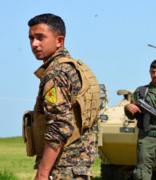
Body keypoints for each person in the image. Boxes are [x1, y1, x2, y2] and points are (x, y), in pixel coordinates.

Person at [27, 13, 101, 180]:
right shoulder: (76, 68)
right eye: (31, 38)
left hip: (60, 169)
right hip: (78, 168)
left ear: (59, 41)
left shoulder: (56, 73)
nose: (34, 44)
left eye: (40, 37)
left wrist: (43, 173)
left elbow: (60, 125)